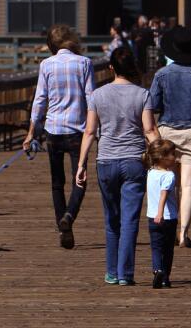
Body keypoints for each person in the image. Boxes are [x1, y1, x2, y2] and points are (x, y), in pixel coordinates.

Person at [76, 46, 157, 286]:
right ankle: (125, 274)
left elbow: (90, 132)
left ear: (111, 67)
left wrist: (81, 164)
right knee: (130, 220)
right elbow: (150, 130)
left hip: (106, 161)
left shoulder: (97, 95)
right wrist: (164, 156)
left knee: (112, 219)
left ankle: (111, 272)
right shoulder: (142, 94)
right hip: (134, 161)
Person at [23, 24, 95, 250]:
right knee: (79, 179)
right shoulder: (84, 63)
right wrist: (95, 129)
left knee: (57, 183)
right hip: (77, 131)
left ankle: (62, 226)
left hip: (52, 131)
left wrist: (31, 132)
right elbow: (91, 98)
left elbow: (40, 100)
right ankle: (69, 216)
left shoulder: (46, 65)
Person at [149, 26, 191, 248]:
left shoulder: (162, 74)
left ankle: (168, 226)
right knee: (188, 185)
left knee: (168, 183)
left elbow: (154, 105)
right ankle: (183, 234)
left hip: (167, 129)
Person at [144, 139, 179, 289]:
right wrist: (161, 213)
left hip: (152, 217)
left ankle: (157, 269)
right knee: (168, 248)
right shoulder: (169, 175)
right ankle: (165, 277)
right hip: (167, 217)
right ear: (163, 157)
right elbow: (163, 195)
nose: (175, 157)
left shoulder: (150, 172)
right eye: (172, 154)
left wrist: (156, 214)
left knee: (156, 247)